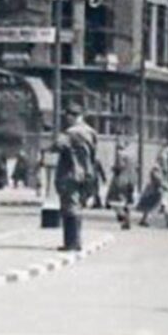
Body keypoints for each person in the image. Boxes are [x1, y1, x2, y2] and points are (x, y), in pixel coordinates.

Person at [53, 102, 98, 251]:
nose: (66, 119)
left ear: (71, 116)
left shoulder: (70, 133)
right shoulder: (91, 132)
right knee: (78, 206)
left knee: (69, 207)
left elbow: (57, 146)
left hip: (70, 173)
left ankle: (71, 243)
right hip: (87, 173)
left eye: (67, 116)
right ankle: (77, 241)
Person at [106, 138, 136, 229]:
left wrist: (113, 168)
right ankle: (127, 221)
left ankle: (123, 217)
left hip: (121, 179)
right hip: (132, 179)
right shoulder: (133, 154)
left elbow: (120, 166)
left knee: (114, 201)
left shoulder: (120, 154)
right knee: (128, 202)